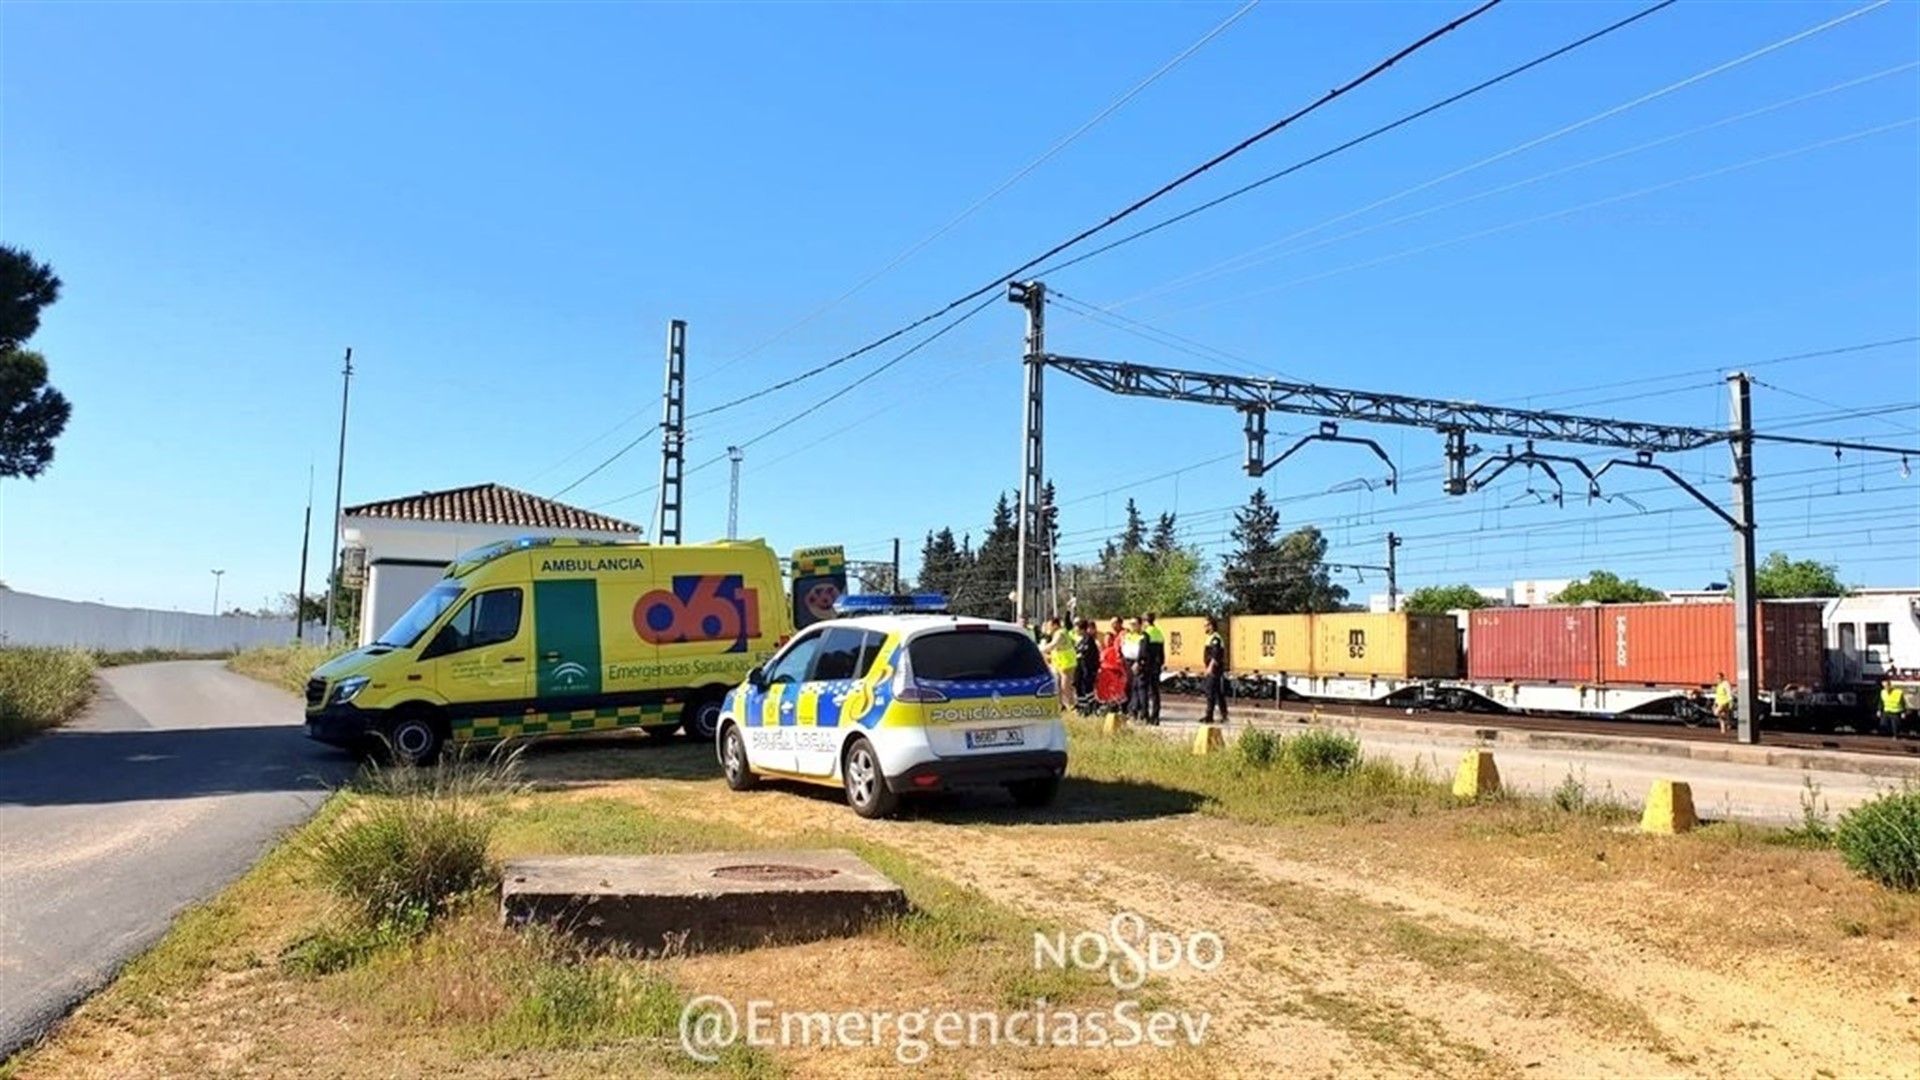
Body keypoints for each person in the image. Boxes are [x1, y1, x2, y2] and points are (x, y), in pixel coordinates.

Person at [1043, 617, 1076, 712]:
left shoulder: (1060, 633)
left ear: (1055, 625)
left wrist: (1039, 649)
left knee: (1065, 687)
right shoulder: (1057, 633)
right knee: (1057, 685)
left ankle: (1072, 706)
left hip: (1067, 664)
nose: (1048, 627)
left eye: (1050, 625)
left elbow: (1053, 645)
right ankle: (1061, 705)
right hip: (1059, 664)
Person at [1201, 616, 1229, 724]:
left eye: (1206, 625)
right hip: (1213, 669)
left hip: (1214, 670)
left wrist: (1210, 668)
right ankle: (1224, 715)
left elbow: (1215, 655)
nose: (1204, 628)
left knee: (1210, 692)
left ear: (1211, 626)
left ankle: (1209, 716)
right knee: (1218, 693)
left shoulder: (1215, 639)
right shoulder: (1211, 637)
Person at [1140, 612, 1166, 723]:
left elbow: (1143, 651)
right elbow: (1162, 652)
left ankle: (1145, 715)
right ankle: (1155, 716)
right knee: (1155, 691)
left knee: (1144, 690)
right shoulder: (1159, 633)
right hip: (1157, 665)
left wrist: (1141, 663)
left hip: (1147, 666)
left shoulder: (1146, 633)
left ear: (1145, 621)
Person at [1121, 617, 1148, 722]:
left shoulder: (1143, 636)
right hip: (1127, 662)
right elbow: (1124, 649)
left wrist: (1139, 662)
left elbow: (1144, 652)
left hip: (1137, 663)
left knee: (1139, 688)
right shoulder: (1127, 636)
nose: (1132, 626)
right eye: (1131, 624)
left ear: (1140, 625)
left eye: (1134, 624)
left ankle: (1143, 714)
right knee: (1129, 688)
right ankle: (1131, 711)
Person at [1074, 618, 1100, 710]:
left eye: (1076, 628)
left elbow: (1085, 653)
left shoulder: (1089, 640)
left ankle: (1092, 705)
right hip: (1080, 668)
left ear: (1082, 629)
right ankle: (1082, 706)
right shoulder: (1081, 640)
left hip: (1088, 669)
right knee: (1078, 686)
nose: (1075, 630)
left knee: (1087, 687)